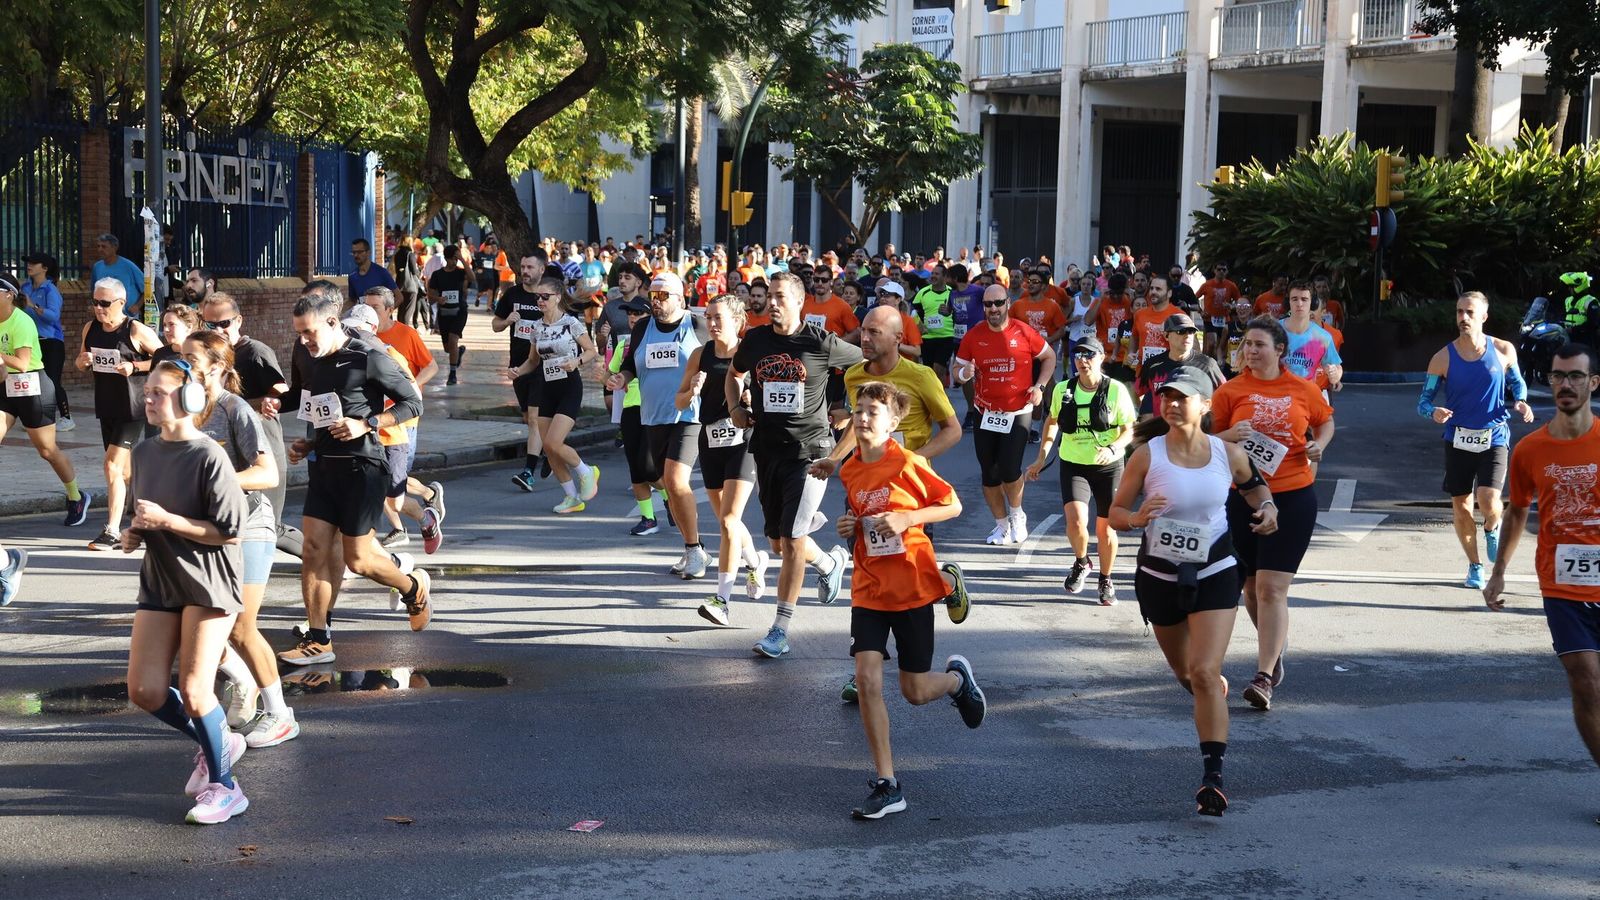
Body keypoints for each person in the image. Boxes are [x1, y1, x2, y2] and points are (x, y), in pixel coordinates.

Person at [1108, 367, 1278, 817]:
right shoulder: (1147, 455)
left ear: (1205, 405)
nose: (1171, 404)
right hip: (1159, 576)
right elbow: (1115, 512)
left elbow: (1255, 487)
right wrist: (1137, 518)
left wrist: (1267, 508)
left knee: (1203, 672)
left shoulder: (1227, 453)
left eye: (1182, 397)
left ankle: (1212, 778)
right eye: (1166, 396)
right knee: (1188, 676)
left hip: (1215, 570)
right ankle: (1208, 688)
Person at [837, 380, 984, 820]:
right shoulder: (849, 469)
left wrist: (908, 518)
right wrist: (850, 525)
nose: (863, 418)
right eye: (859, 410)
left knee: (915, 691)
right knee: (866, 679)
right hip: (868, 585)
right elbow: (861, 515)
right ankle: (888, 784)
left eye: (873, 411)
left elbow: (952, 505)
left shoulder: (908, 462)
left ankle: (956, 682)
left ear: (892, 423)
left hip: (912, 585)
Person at [121, 359, 251, 824]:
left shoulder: (209, 455)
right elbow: (143, 513)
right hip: (161, 578)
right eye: (147, 392)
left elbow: (230, 532)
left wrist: (169, 522)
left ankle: (226, 788)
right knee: (144, 690)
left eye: (158, 392)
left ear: (188, 399)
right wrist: (134, 532)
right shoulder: (144, 452)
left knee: (197, 693)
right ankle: (216, 738)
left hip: (208, 581)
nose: (149, 400)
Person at [278, 288, 432, 666]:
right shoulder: (312, 360)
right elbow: (320, 411)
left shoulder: (368, 357)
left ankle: (412, 586)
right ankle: (319, 640)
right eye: (299, 333)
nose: (304, 340)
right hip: (324, 468)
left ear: (333, 322)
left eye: (309, 332)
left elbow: (413, 402)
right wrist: (308, 444)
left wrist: (368, 423)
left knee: (359, 561)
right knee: (313, 551)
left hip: (363, 468)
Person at [819, 305, 963, 703]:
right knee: (869, 566)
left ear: (898, 338)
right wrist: (834, 458)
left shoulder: (920, 376)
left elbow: (952, 430)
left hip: (907, 492)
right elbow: (857, 426)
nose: (864, 338)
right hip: (866, 486)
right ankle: (865, 669)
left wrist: (912, 461)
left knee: (905, 568)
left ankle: (947, 582)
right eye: (863, 330)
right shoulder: (854, 375)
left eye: (874, 332)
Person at [1484, 343, 1600, 824]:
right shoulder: (1530, 449)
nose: (1565, 385)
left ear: (1593, 383)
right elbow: (1517, 511)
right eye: (1557, 376)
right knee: (1587, 682)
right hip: (1562, 585)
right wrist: (1498, 573)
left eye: (1575, 376)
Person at [727, 272, 863, 658]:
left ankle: (779, 630)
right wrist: (735, 407)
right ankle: (829, 562)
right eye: (769, 296)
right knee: (778, 542)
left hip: (811, 453)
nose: (772, 303)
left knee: (790, 541)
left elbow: (867, 364)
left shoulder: (820, 342)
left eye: (780, 297)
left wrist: (846, 407)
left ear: (800, 303)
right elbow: (734, 374)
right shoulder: (755, 340)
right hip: (767, 450)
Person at [182, 331, 298, 749]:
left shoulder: (235, 409)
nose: (184, 365)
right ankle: (243, 679)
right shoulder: (184, 408)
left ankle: (281, 715)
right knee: (197, 626)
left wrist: (218, 479)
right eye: (181, 357)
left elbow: (267, 474)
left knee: (242, 628)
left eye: (192, 359)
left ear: (216, 366)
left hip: (250, 525)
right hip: (209, 528)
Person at [1211, 317, 1334, 710]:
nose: (1250, 351)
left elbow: (1326, 421)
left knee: (1271, 588)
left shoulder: (1303, 388)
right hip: (1243, 498)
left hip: (1293, 496)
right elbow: (1207, 441)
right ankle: (1275, 648)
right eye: (1246, 344)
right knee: (1250, 588)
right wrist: (1229, 436)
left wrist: (1319, 445)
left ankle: (1263, 677)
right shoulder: (1230, 390)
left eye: (1259, 344)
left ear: (1280, 350)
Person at [1419, 292, 1533, 589]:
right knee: (1461, 506)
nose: (1463, 318)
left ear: (1484, 316)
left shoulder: (1503, 349)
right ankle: (1475, 566)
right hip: (1457, 439)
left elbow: (1517, 383)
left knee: (1489, 499)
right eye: (1459, 312)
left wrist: (1521, 402)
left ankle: (1492, 526)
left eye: (1470, 312)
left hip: (1494, 435)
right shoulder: (1442, 358)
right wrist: (1433, 411)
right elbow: (1423, 401)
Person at [678, 295, 772, 623]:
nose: (712, 323)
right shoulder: (700, 354)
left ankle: (722, 600)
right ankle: (755, 562)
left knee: (730, 520)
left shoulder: (750, 353)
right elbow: (679, 401)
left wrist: (751, 399)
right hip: (710, 440)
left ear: (737, 320)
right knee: (725, 521)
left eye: (718, 317)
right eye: (708, 317)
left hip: (742, 440)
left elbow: (769, 397)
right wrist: (692, 390)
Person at [613, 272, 710, 577]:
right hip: (653, 416)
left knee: (676, 480)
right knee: (668, 483)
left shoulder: (697, 325)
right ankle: (694, 547)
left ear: (681, 298)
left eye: (664, 295)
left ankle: (694, 551)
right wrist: (621, 378)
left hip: (689, 415)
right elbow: (631, 364)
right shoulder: (643, 327)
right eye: (653, 295)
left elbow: (721, 358)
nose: (656, 301)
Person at [1028, 336, 1136, 605]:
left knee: (1105, 529)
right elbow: (1052, 422)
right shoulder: (1063, 389)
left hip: (1108, 466)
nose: (1082, 360)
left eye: (1089, 355)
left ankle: (1106, 579)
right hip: (1074, 463)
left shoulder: (1116, 390)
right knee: (1076, 521)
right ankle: (1081, 561)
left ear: (1101, 358)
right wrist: (1041, 458)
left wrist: (1112, 448)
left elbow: (1129, 430)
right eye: (1078, 355)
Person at [198, 294, 301, 557]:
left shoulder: (255, 352)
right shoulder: (209, 355)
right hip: (231, 450)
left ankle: (322, 555)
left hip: (263, 447)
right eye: (211, 324)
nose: (218, 330)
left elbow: (281, 394)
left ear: (239, 321)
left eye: (224, 323)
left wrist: (249, 404)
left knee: (270, 526)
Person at [954, 284, 1056, 545]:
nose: (993, 309)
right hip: (985, 411)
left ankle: (1017, 514)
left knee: (1010, 469)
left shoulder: (1023, 331)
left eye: (998, 303)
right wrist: (965, 373)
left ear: (1008, 303)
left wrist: (1040, 387)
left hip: (1018, 411)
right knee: (989, 473)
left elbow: (1049, 357)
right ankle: (1001, 525)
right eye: (988, 304)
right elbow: (957, 370)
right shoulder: (974, 335)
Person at [78, 278, 163, 549]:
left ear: (121, 303)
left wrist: (135, 366)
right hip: (107, 405)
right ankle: (154, 514)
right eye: (95, 302)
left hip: (133, 407)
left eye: (105, 303)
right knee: (124, 472)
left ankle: (112, 530)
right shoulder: (90, 328)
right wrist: (83, 362)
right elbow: (81, 361)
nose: (99, 308)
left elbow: (165, 359)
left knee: (111, 466)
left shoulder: (135, 329)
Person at [359, 288, 446, 551]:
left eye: (375, 307)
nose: (369, 311)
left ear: (390, 309)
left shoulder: (406, 335)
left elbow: (431, 366)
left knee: (393, 482)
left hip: (402, 421)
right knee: (382, 482)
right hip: (374, 423)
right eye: (366, 305)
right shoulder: (360, 337)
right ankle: (400, 527)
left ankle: (427, 498)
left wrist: (411, 388)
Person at [0, 276, 90, 526]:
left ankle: (76, 496)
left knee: (47, 450)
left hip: (32, 387)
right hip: (6, 388)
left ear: (9, 295)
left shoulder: (22, 321)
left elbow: (21, 362)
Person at [506, 278, 601, 514]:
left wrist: (576, 361)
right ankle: (571, 497)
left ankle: (586, 471)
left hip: (569, 387)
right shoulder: (537, 327)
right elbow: (532, 361)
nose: (540, 300)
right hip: (546, 387)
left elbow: (591, 351)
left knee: (552, 442)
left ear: (557, 297)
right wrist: (517, 371)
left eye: (545, 296)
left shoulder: (571, 323)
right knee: (549, 449)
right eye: (537, 297)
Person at [1010, 271, 1069, 441]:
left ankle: (1035, 428)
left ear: (1043, 286)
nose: (1031, 284)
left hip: (1042, 356)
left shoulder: (1052, 305)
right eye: (1030, 281)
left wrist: (1047, 341)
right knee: (1018, 390)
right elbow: (1008, 326)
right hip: (1021, 356)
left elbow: (1061, 329)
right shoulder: (1018, 305)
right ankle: (1018, 423)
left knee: (1036, 390)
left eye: (1036, 281)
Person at [1135, 313, 1226, 418]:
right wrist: (1145, 415)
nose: (1187, 336)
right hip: (1161, 426)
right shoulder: (1152, 365)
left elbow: (1225, 394)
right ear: (1166, 335)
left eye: (1191, 331)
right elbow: (1137, 392)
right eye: (1181, 331)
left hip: (1195, 427)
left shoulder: (1207, 365)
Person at [21, 253, 72, 431]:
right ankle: (36, 418)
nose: (29, 265)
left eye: (34, 263)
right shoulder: (25, 287)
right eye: (28, 262)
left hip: (51, 342)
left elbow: (53, 316)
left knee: (52, 381)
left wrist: (32, 306)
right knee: (32, 380)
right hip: (31, 341)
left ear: (44, 268)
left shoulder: (51, 290)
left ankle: (66, 417)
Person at [1280, 281, 1344, 394]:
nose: (1299, 304)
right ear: (1288, 301)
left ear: (1313, 303)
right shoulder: (1272, 330)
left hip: (1306, 398)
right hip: (1276, 396)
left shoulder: (1322, 337)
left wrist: (1335, 375)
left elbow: (1336, 367)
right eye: (1294, 299)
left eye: (1304, 299)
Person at [428, 244, 471, 385]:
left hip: (460, 311)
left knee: (453, 340)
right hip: (444, 313)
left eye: (457, 258)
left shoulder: (460, 272)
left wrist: (463, 260)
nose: (455, 261)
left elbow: (472, 278)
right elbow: (430, 295)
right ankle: (458, 352)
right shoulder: (437, 275)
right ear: (446, 258)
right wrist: (438, 299)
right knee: (448, 348)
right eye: (453, 258)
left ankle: (452, 374)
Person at [910, 263, 955, 385]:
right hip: (927, 337)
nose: (933, 276)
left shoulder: (952, 293)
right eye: (932, 273)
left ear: (944, 277)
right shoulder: (923, 292)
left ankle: (939, 395)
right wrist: (919, 324)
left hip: (947, 337)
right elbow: (912, 311)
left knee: (938, 369)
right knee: (929, 371)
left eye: (937, 274)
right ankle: (931, 394)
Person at [91, 233, 144, 318]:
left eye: (104, 247)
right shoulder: (97, 267)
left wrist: (137, 306)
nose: (100, 249)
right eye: (98, 246)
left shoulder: (128, 266)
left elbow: (147, 289)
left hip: (127, 315)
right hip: (105, 315)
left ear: (114, 248)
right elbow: (94, 291)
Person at [1197, 263, 1242, 362]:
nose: (1221, 271)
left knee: (1224, 345)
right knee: (1211, 344)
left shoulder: (1231, 285)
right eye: (1219, 269)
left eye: (1224, 270)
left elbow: (1239, 302)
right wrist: (1200, 311)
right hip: (1209, 319)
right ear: (1214, 271)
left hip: (1225, 319)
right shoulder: (1207, 284)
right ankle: (1209, 363)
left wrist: (1231, 306)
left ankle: (1220, 365)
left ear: (1227, 271)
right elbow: (1194, 298)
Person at [347, 237, 398, 305]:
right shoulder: (352, 276)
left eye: (359, 252)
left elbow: (399, 297)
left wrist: (387, 311)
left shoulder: (381, 273)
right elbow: (351, 301)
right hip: (363, 311)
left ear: (368, 252)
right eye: (354, 252)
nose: (356, 255)